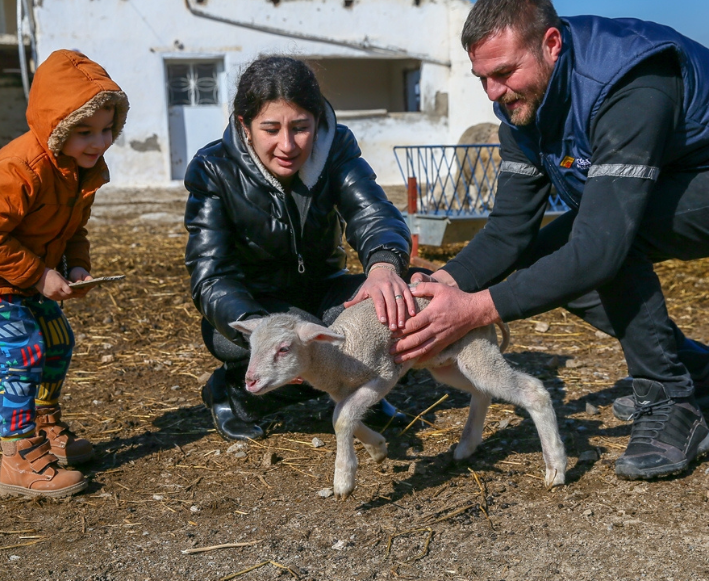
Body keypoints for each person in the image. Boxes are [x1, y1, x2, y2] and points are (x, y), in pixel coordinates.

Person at [391, 0, 709, 480]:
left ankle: (671, 402)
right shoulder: (524, 108)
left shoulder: (628, 82)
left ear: (551, 44)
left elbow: (601, 248)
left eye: (504, 72)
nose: (494, 93)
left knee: (609, 240)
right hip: (671, 182)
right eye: (483, 78)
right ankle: (697, 374)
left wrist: (476, 310)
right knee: (551, 260)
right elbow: (507, 232)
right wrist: (437, 284)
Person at [185, 56, 416, 441]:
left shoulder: (336, 147)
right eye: (271, 129)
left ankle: (360, 392)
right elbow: (210, 274)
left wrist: (383, 267)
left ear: (318, 122)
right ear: (244, 125)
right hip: (257, 304)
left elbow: (372, 211)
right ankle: (233, 394)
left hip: (324, 289)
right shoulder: (213, 168)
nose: (287, 145)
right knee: (303, 346)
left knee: (396, 310)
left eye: (301, 128)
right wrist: (263, 330)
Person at [0, 50, 129, 497]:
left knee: (58, 339)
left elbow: (72, 228)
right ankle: (17, 458)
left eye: (105, 130)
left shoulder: (81, 170)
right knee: (22, 349)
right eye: (83, 131)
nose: (97, 142)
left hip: (17, 269)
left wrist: (76, 265)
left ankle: (44, 425)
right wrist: (41, 276)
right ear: (55, 125)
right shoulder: (18, 169)